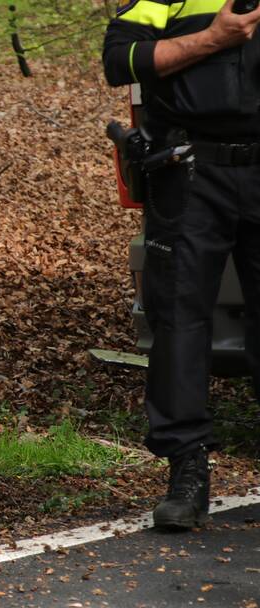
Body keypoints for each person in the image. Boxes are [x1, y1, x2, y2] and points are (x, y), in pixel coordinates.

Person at [103, 0, 260, 529]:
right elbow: (119, 62)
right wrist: (215, 37)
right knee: (178, 323)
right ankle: (187, 473)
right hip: (190, 172)